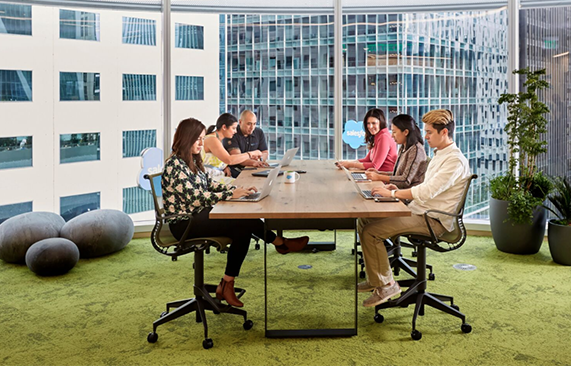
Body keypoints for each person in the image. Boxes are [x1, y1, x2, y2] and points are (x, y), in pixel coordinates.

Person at [161, 118, 309, 308]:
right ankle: (279, 244)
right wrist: (230, 194)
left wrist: (237, 189)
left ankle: (228, 282)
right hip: (184, 223)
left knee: (243, 226)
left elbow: (208, 185)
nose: (200, 143)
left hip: (199, 214)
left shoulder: (193, 160)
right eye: (197, 139)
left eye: (201, 139)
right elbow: (195, 197)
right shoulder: (175, 165)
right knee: (242, 223)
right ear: (185, 138)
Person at [357, 109, 471, 308]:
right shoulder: (440, 155)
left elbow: (427, 192)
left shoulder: (454, 161)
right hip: (420, 210)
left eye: (429, 132)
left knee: (371, 232)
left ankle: (387, 286)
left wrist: (393, 194)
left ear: (444, 132)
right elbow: (423, 187)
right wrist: (399, 189)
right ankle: (377, 279)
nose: (424, 136)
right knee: (365, 220)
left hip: (433, 221)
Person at [365, 114, 427, 189]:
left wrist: (379, 177)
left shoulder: (416, 150)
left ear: (406, 132)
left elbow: (405, 180)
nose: (392, 135)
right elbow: (397, 175)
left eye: (394, 132)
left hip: (406, 196)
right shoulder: (403, 147)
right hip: (397, 191)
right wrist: (379, 173)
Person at [336, 108, 397, 172]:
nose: (370, 126)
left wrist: (350, 164)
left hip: (383, 179)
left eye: (374, 123)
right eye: (368, 123)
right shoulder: (377, 136)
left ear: (381, 123)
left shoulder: (384, 137)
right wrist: (345, 163)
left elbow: (374, 166)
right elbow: (367, 159)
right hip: (376, 175)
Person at [203, 113, 261, 179]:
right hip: (210, 179)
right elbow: (230, 160)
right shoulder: (212, 139)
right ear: (224, 127)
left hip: (216, 177)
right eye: (233, 128)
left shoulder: (217, 139)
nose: (235, 131)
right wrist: (251, 154)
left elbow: (220, 159)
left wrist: (224, 166)